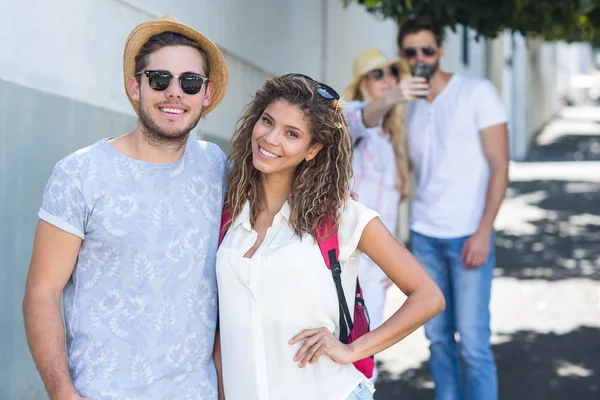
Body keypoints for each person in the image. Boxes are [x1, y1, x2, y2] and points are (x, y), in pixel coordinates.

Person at [22, 15, 229, 400]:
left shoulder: (217, 167)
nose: (174, 93)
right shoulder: (79, 174)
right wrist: (62, 393)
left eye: (189, 82)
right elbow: (42, 292)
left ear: (206, 93)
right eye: (159, 79)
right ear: (135, 87)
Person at [215, 74, 445, 400]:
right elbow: (225, 329)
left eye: (291, 133)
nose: (270, 138)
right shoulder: (229, 210)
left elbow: (428, 296)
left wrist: (353, 351)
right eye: (267, 121)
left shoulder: (340, 216)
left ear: (313, 149)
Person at [397, 16, 510, 400]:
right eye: (411, 52)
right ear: (403, 55)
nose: (420, 58)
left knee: (473, 344)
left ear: (441, 51)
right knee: (438, 340)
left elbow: (500, 166)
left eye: (427, 50)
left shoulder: (476, 92)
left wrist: (483, 231)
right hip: (426, 235)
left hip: (468, 235)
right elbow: (402, 172)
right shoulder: (407, 105)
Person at [343, 48, 429, 382]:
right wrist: (393, 96)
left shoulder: (393, 138)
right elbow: (359, 117)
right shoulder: (351, 121)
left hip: (376, 263)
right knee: (344, 348)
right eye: (377, 75)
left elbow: (392, 208)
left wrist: (395, 258)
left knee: (367, 358)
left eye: (392, 74)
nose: (387, 81)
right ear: (362, 84)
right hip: (347, 256)